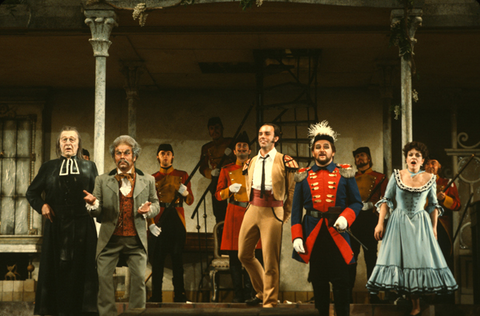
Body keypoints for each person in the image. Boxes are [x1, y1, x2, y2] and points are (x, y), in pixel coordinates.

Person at [366, 141, 458, 316]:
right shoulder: (397, 175)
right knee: (400, 261)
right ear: (406, 159)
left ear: (422, 161)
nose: (413, 157)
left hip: (419, 223)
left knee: (415, 261)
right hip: (398, 222)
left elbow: (432, 206)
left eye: (417, 155)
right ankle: (405, 299)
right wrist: (380, 223)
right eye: (410, 155)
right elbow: (386, 200)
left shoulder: (429, 179)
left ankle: (416, 304)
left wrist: (434, 229)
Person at [291, 121, 362, 316]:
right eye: (318, 147)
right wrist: (297, 236)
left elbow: (357, 203)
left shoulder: (345, 172)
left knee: (341, 282)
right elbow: (296, 211)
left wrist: (346, 218)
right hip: (313, 234)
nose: (322, 150)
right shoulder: (302, 175)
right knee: (318, 282)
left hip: (337, 232)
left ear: (333, 151)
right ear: (313, 152)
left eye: (326, 147)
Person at [26, 126, 99, 316]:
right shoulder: (48, 167)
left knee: (82, 271)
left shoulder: (89, 166)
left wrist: (94, 201)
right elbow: (31, 192)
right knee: (56, 270)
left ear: (78, 144)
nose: (68, 143)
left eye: (72, 140)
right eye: (64, 140)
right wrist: (42, 205)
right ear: (59, 144)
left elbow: (98, 195)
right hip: (56, 226)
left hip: (83, 227)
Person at [83, 135, 159, 316]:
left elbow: (156, 204)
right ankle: (107, 314)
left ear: (134, 156)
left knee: (139, 280)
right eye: (118, 153)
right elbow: (96, 213)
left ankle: (136, 313)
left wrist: (148, 211)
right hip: (110, 240)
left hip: (136, 240)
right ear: (114, 157)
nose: (122, 156)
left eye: (127, 153)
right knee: (103, 279)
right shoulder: (102, 180)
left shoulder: (148, 180)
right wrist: (93, 205)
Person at [238, 123, 298, 308]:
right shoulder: (251, 161)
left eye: (267, 133)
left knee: (270, 259)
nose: (262, 136)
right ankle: (263, 291)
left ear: (276, 138)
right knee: (243, 254)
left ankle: (269, 302)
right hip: (253, 208)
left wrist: (284, 214)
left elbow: (292, 191)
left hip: (273, 209)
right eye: (260, 133)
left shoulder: (284, 160)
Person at [147, 143, 194, 303]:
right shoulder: (152, 178)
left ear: (172, 156)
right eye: (162, 153)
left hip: (176, 218)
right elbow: (149, 204)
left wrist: (186, 193)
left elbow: (190, 201)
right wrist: (151, 223)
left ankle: (180, 295)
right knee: (158, 261)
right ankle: (156, 296)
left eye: (168, 153)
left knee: (177, 259)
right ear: (157, 157)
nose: (165, 156)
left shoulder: (183, 175)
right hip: (160, 218)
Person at [215, 131, 258, 302]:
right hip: (234, 214)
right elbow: (218, 195)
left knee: (249, 255)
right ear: (234, 151)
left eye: (244, 147)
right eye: (238, 147)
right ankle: (238, 295)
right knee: (234, 256)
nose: (241, 149)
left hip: (251, 212)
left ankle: (249, 293)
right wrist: (228, 191)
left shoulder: (256, 168)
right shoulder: (227, 170)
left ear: (249, 150)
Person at [349, 147, 387, 304]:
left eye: (362, 156)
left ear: (369, 158)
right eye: (357, 157)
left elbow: (385, 200)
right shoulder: (350, 178)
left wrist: (372, 206)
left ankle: (373, 294)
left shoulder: (380, 178)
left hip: (371, 221)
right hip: (354, 221)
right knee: (350, 258)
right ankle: (347, 293)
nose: (359, 159)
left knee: (371, 258)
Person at [425, 158, 461, 304]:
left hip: (441, 226)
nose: (430, 166)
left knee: (442, 259)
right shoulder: (418, 182)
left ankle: (443, 295)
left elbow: (457, 205)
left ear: (439, 166)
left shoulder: (447, 183)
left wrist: (445, 198)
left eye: (433, 163)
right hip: (423, 225)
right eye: (427, 163)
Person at [199, 117, 235, 223]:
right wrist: (211, 173)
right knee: (220, 216)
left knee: (235, 211)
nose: (215, 131)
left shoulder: (231, 142)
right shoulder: (206, 148)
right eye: (212, 128)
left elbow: (242, 160)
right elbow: (202, 167)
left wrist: (233, 154)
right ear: (209, 131)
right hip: (218, 181)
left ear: (222, 128)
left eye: (217, 127)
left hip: (232, 179)